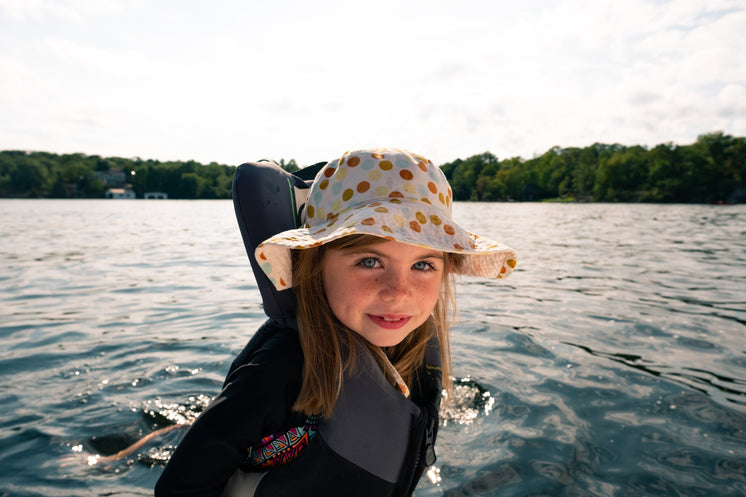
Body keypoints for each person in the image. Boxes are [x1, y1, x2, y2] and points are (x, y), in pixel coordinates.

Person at [155, 148, 517, 497]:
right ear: (315, 267)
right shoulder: (276, 371)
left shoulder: (417, 348)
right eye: (370, 262)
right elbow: (179, 487)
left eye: (423, 265)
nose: (398, 292)